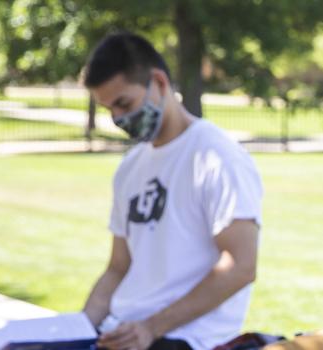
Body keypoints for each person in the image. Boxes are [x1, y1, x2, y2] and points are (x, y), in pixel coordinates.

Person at [77, 32, 264, 350]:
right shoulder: (130, 167)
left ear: (159, 83)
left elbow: (241, 266)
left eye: (124, 103)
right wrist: (74, 330)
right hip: (122, 334)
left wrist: (150, 328)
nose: (119, 118)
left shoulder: (217, 156)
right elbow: (117, 268)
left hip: (185, 339)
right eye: (109, 109)